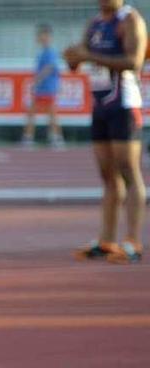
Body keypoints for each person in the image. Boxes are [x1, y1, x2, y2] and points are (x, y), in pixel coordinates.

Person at [65, 0, 147, 264]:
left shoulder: (130, 20)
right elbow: (80, 57)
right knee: (107, 174)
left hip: (124, 104)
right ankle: (107, 240)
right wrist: (73, 58)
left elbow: (134, 61)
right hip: (100, 105)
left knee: (128, 170)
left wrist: (89, 56)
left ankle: (133, 241)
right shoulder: (94, 24)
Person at [21, 24, 65, 149]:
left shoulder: (51, 51)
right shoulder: (41, 52)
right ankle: (29, 138)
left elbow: (50, 68)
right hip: (41, 88)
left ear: (48, 36)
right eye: (40, 35)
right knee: (33, 112)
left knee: (51, 113)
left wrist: (37, 80)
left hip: (48, 87)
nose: (41, 37)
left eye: (44, 35)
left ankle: (56, 138)